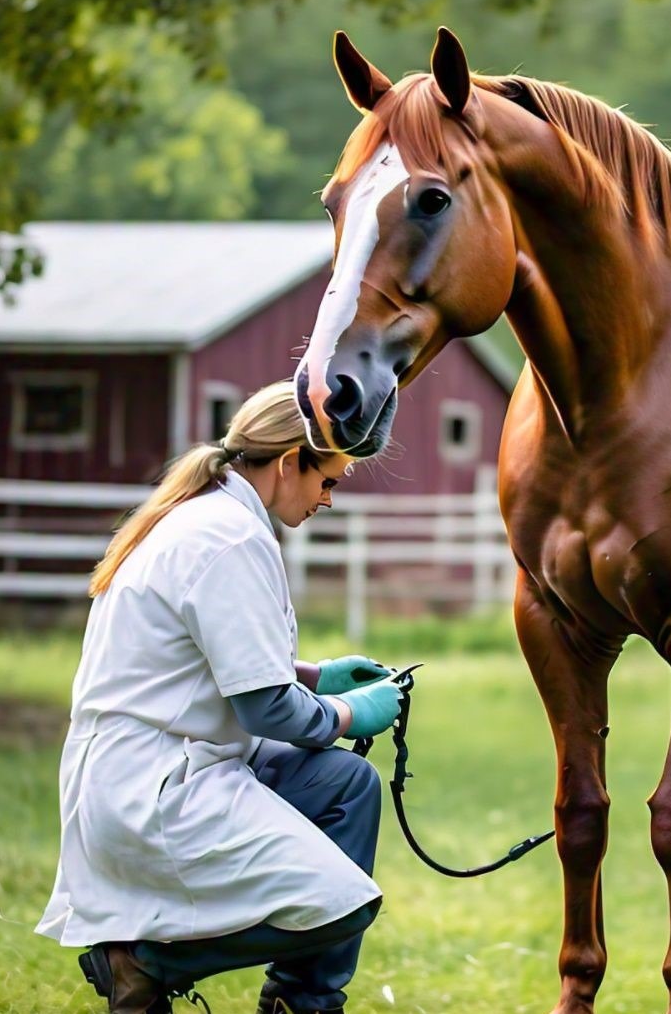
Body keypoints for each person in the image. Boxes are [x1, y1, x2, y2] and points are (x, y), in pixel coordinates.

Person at [36, 380, 401, 1014]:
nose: (329, 499)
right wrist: (350, 713)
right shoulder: (228, 537)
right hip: (153, 787)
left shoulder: (213, 517)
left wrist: (315, 676)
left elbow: (207, 655)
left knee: (347, 786)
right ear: (291, 462)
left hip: (164, 764)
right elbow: (267, 711)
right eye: (329, 481)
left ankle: (300, 1003)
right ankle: (141, 962)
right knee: (348, 904)